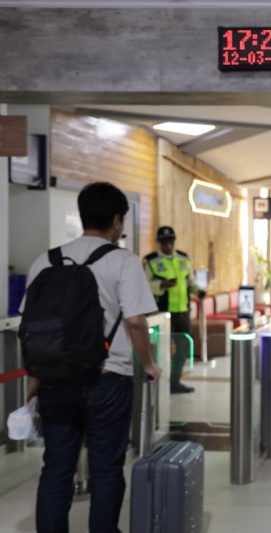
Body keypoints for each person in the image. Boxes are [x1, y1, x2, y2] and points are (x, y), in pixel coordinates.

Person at [25, 182, 162, 533]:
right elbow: (135, 320)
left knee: (56, 466)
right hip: (107, 378)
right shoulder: (123, 261)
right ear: (117, 221)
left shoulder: (46, 259)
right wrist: (147, 364)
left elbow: (32, 327)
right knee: (106, 467)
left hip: (55, 379)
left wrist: (35, 380)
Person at [144, 226, 205, 394]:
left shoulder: (184, 259)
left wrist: (198, 291)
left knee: (183, 348)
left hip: (182, 312)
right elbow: (145, 286)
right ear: (158, 243)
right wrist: (161, 285)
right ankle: (159, 382)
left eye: (170, 241)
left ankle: (174, 382)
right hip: (161, 315)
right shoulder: (151, 261)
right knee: (161, 349)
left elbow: (190, 282)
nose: (168, 245)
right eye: (164, 242)